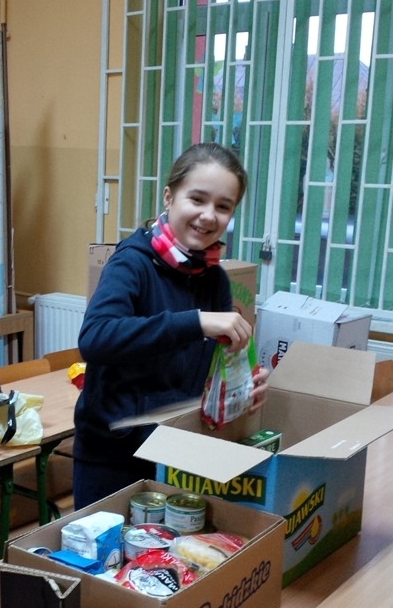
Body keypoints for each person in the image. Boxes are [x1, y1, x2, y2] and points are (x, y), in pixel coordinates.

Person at [73, 142, 270, 509]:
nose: (209, 216)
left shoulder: (213, 278)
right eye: (197, 199)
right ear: (169, 197)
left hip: (179, 452)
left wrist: (241, 388)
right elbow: (95, 338)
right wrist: (194, 322)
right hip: (113, 457)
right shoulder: (132, 263)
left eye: (223, 206)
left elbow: (212, 370)